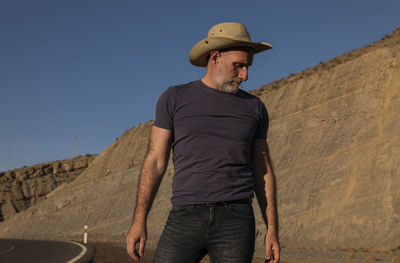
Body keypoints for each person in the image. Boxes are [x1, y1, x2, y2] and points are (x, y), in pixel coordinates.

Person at [126, 22, 280, 263]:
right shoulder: (174, 98)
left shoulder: (255, 108)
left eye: (248, 67)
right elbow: (155, 161)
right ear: (215, 57)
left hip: (237, 219)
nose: (245, 75)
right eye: (238, 66)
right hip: (185, 215)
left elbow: (263, 169)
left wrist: (272, 228)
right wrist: (139, 221)